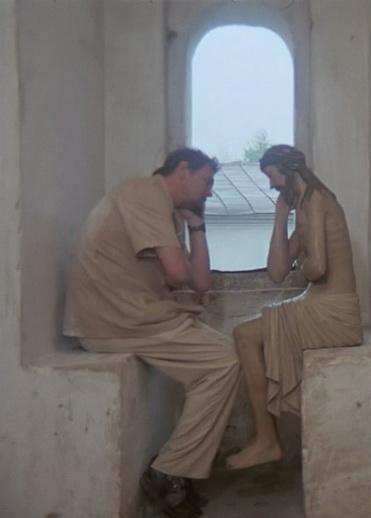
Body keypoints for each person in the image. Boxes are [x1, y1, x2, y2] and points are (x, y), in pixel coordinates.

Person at [63, 148, 239, 517]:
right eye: (206, 181)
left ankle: (175, 468)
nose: (210, 191)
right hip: (115, 320)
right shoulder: (144, 194)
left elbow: (200, 283)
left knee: (225, 357)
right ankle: (169, 471)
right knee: (224, 361)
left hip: (134, 318)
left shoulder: (165, 210)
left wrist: (197, 225)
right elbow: (177, 275)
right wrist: (179, 269)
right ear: (183, 169)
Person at [226, 145, 362, 470]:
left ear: (287, 170)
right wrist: (279, 217)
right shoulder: (302, 205)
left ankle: (267, 440)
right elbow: (276, 272)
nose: (271, 184)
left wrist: (303, 261)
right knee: (245, 333)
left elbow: (317, 268)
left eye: (272, 176)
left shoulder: (316, 200)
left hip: (333, 311)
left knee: (245, 335)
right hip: (317, 302)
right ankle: (266, 439)